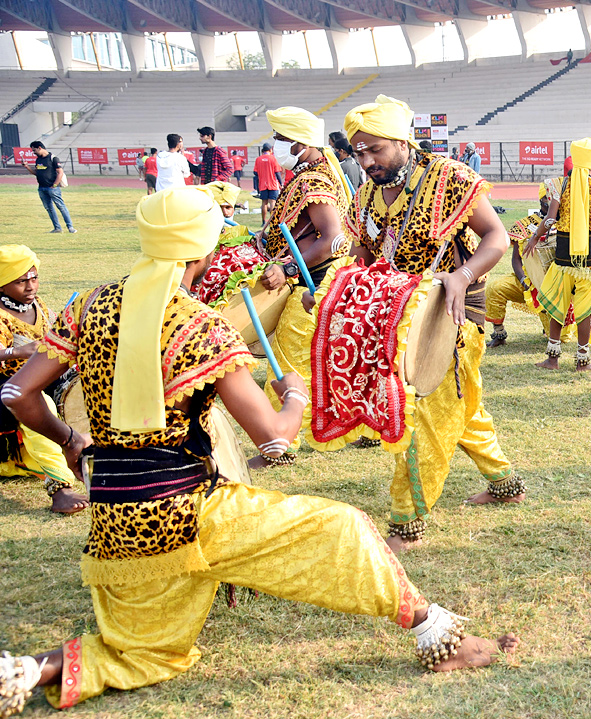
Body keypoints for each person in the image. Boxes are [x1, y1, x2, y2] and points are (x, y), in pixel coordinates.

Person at [0, 188, 519, 716]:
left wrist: (70, 441)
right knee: (345, 528)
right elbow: (273, 437)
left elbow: (16, 393)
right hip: (186, 512)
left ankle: (23, 671)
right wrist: (293, 393)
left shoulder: (85, 305)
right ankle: (439, 635)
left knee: (147, 652)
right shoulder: (199, 326)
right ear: (200, 252)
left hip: (116, 527)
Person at [343, 94, 524, 549]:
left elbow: (497, 236)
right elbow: (363, 251)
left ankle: (407, 520)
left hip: (452, 312)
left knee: (426, 413)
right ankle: (505, 483)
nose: (366, 160)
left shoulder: (448, 177)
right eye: (358, 151)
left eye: (375, 149)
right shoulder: (366, 193)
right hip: (397, 314)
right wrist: (342, 286)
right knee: (459, 407)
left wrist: (462, 276)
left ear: (403, 141)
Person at [249, 106, 354, 468]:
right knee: (328, 359)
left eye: (279, 139)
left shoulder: (315, 181)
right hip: (315, 277)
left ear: (298, 143)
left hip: (317, 279)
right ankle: (358, 428)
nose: (275, 145)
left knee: (286, 358)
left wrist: (287, 266)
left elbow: (332, 239)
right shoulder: (310, 172)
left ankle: (281, 445)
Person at [0, 245, 84, 514]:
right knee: (38, 402)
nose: (30, 286)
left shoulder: (38, 306)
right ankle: (61, 490)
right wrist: (18, 351)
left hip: (39, 380)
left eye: (34, 278)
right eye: (20, 281)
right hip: (7, 389)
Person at [526, 138, 591, 371]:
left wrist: (534, 236)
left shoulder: (558, 185)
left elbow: (550, 219)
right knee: (585, 311)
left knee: (558, 306)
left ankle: (553, 359)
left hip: (562, 258)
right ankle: (582, 361)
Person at [485, 185, 554, 347]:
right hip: (527, 280)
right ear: (541, 201)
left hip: (555, 286)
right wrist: (523, 280)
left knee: (560, 337)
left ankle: (551, 328)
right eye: (547, 199)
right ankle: (499, 334)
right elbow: (516, 259)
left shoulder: (566, 223)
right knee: (495, 288)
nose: (550, 203)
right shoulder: (525, 224)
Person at [23, 142, 75, 234]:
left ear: (39, 148)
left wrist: (55, 185)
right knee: (49, 208)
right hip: (42, 188)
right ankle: (57, 228)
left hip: (53, 188)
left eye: (34, 150)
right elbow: (37, 172)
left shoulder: (53, 158)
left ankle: (70, 227)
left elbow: (60, 172)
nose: (33, 152)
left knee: (61, 207)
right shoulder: (38, 160)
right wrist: (27, 167)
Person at [253, 142, 282, 228]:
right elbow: (277, 173)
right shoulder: (273, 159)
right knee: (272, 202)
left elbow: (255, 172)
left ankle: (263, 221)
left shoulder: (258, 159)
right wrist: (281, 183)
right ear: (270, 150)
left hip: (262, 184)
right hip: (272, 184)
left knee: (264, 203)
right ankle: (272, 221)